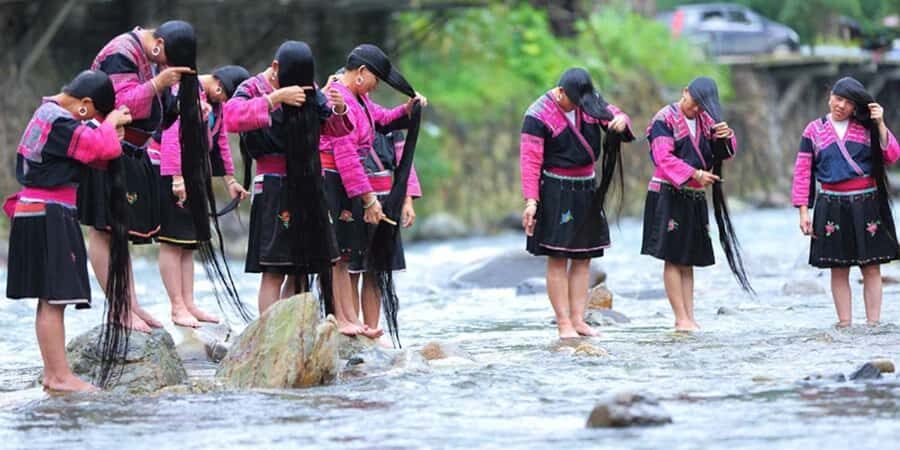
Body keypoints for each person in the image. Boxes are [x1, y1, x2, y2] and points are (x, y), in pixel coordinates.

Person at [5, 70, 132, 392]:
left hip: (37, 211)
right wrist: (110, 123)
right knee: (54, 298)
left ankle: (55, 373)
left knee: (51, 297)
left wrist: (108, 129)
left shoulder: (47, 115)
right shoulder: (60, 121)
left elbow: (95, 151)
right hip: (49, 213)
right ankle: (59, 376)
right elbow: (99, 149)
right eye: (97, 116)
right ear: (85, 106)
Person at [78, 20, 196, 332]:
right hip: (108, 145)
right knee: (104, 229)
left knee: (121, 232)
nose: (165, 67)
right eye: (166, 60)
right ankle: (118, 309)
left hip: (131, 150)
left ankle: (130, 303)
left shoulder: (148, 58)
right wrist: (159, 85)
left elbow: (155, 110)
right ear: (157, 44)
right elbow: (120, 104)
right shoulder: (121, 52)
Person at [224, 41, 352, 317]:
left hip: (307, 182)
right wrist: (275, 98)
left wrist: (339, 108)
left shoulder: (310, 88)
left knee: (302, 268)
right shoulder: (251, 89)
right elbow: (231, 118)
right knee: (274, 269)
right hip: (273, 184)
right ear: (274, 68)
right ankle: (268, 334)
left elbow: (333, 128)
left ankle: (292, 331)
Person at [321, 44, 426, 344]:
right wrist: (368, 198)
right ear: (361, 73)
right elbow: (346, 156)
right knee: (340, 256)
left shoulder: (360, 100)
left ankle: (352, 320)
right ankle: (345, 319)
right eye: (376, 78)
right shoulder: (338, 99)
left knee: (346, 256)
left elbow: (384, 119)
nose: (377, 85)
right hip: (333, 179)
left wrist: (408, 109)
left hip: (345, 183)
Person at [520, 68, 634, 339]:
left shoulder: (588, 102)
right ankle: (563, 324)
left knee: (583, 258)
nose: (577, 106)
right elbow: (530, 160)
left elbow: (618, 116)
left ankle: (579, 320)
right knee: (558, 258)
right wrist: (531, 201)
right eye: (572, 101)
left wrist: (620, 121)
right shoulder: (537, 115)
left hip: (586, 188)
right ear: (560, 92)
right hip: (556, 190)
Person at [641, 76, 748, 332]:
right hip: (668, 192)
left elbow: (724, 152)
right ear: (684, 91)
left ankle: (689, 316)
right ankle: (680, 318)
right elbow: (662, 158)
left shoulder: (707, 120)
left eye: (702, 105)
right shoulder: (663, 119)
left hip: (694, 195)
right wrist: (695, 174)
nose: (696, 109)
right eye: (694, 102)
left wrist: (727, 136)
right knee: (672, 257)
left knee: (687, 259)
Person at [791, 77, 899, 327]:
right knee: (838, 268)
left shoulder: (866, 127)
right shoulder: (813, 130)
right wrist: (803, 211)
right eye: (838, 98)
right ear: (830, 96)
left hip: (868, 202)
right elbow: (803, 172)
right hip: (831, 204)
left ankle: (874, 323)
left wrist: (880, 122)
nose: (840, 105)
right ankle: (844, 323)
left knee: (871, 267)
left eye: (848, 103)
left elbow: (892, 155)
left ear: (855, 107)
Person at [159, 61, 252, 327]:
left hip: (196, 173)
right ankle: (176, 306)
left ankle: (189, 303)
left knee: (189, 243)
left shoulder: (216, 105)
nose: (224, 101)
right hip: (174, 171)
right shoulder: (184, 91)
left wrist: (230, 181)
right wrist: (176, 178)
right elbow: (170, 135)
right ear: (219, 85)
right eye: (226, 96)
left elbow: (220, 142)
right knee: (172, 240)